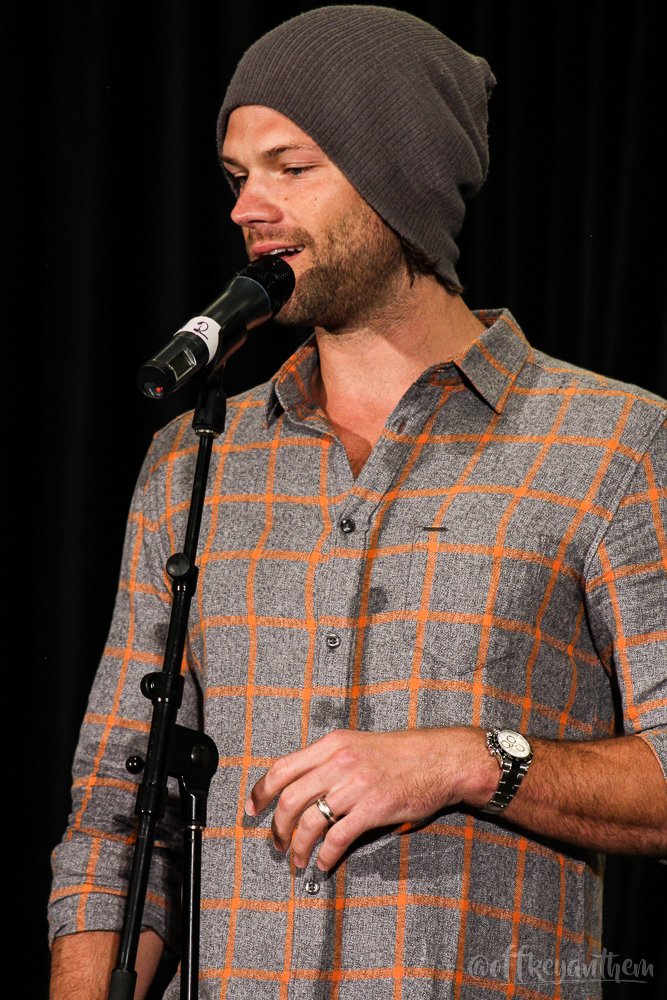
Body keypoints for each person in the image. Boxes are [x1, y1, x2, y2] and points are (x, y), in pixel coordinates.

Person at [49, 6, 667, 998]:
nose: (248, 207)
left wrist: (470, 760)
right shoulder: (196, 459)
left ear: (400, 178)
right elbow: (117, 818)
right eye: (237, 176)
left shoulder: (610, 443)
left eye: (291, 167)